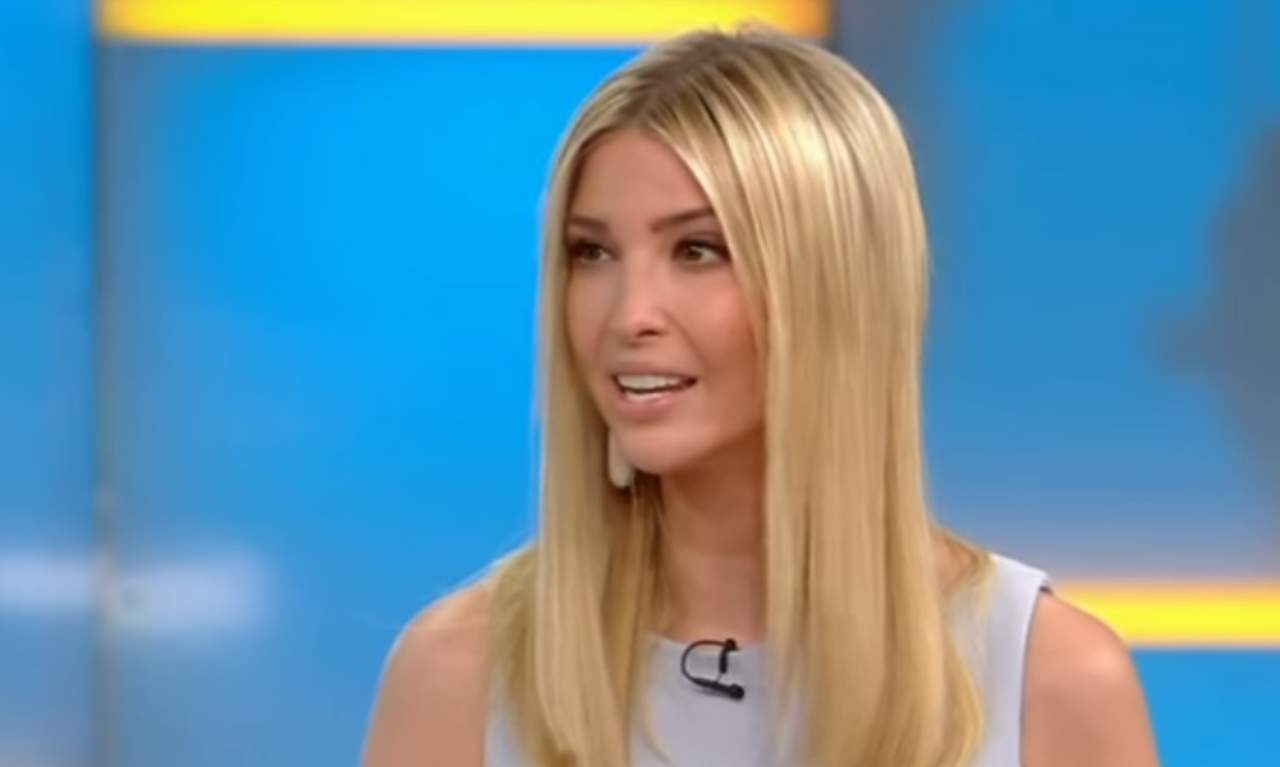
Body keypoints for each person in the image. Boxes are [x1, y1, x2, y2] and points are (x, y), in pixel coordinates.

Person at [361, 24, 1160, 767]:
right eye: (592, 252)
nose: (629, 314)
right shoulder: (459, 676)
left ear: (836, 285)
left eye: (697, 250)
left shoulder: (1049, 682)